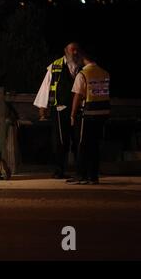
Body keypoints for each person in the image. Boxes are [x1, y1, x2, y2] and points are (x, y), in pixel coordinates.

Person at [33, 42, 83, 179]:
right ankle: (59, 170)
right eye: (72, 50)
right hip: (60, 109)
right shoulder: (55, 66)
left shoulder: (82, 66)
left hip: (79, 110)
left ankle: (81, 171)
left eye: (77, 50)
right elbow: (46, 87)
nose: (75, 52)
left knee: (79, 140)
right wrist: (42, 109)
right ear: (66, 51)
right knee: (61, 141)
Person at [67, 51, 110, 185]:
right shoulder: (104, 73)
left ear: (83, 59)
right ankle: (93, 176)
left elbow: (78, 96)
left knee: (82, 145)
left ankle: (81, 175)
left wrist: (73, 115)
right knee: (95, 145)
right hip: (103, 113)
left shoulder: (83, 74)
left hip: (88, 113)